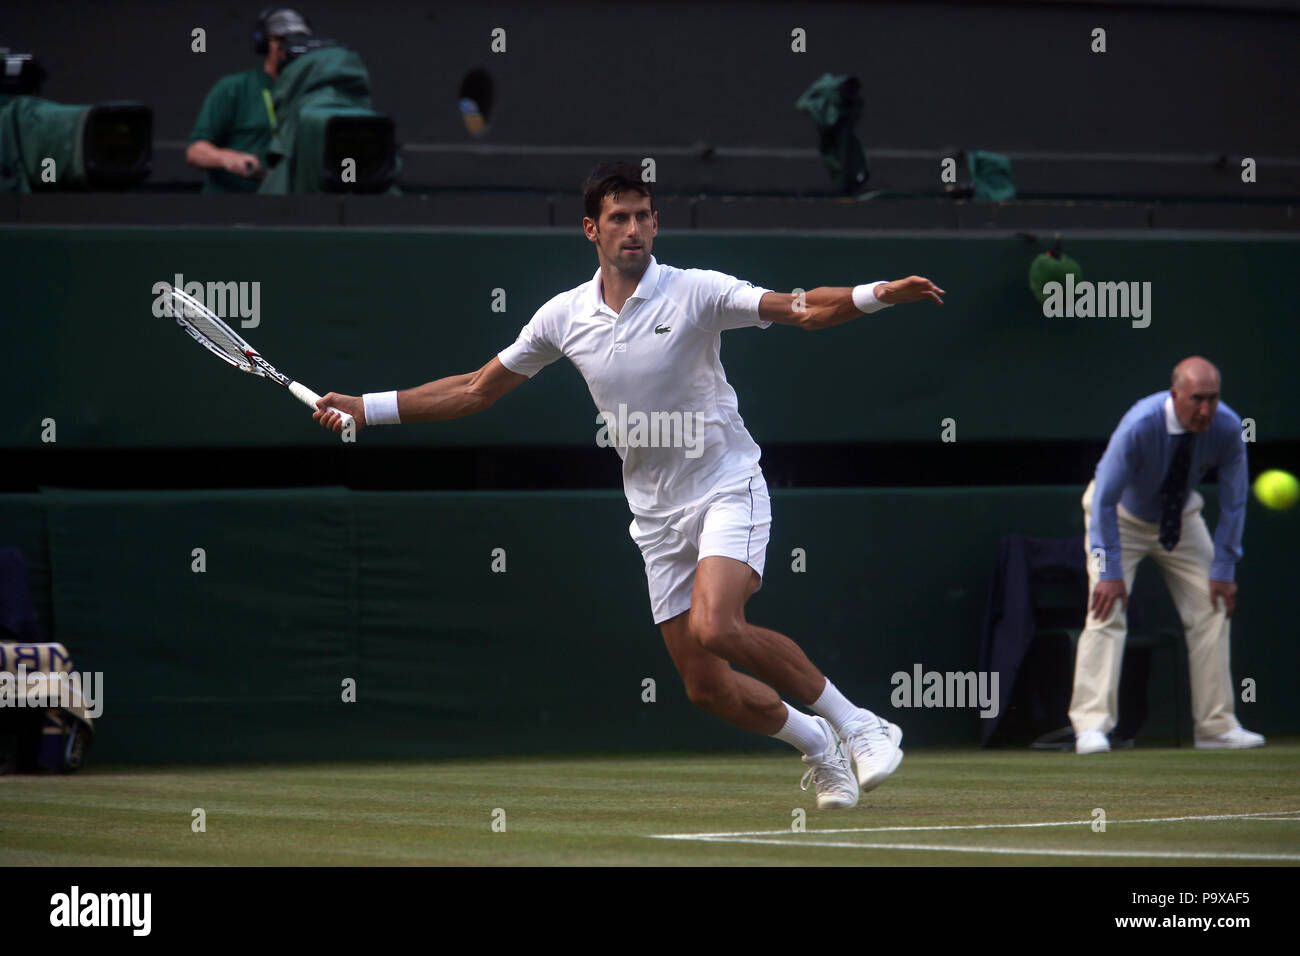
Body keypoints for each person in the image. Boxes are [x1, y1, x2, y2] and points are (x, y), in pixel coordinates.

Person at [312, 162, 945, 808]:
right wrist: (366, 407)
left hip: (727, 485)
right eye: (619, 217)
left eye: (644, 216)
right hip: (655, 515)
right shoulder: (563, 317)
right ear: (592, 229)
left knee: (717, 625)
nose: (635, 228)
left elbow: (800, 308)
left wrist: (873, 295)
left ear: (656, 223)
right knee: (707, 688)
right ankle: (818, 745)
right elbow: (476, 390)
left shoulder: (696, 291)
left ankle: (860, 722)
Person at [1071, 356, 1264, 754]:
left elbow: (1234, 503)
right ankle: (1090, 726)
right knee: (1106, 609)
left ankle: (1215, 727)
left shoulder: (1227, 427)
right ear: (1175, 394)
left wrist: (1225, 567)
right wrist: (1108, 569)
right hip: (1119, 519)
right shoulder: (1139, 425)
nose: (1206, 409)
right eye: (1197, 399)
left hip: (1181, 519)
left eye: (1213, 399)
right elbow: (1104, 500)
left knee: (1213, 606)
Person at [185, 8, 312, 193]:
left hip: (288, 205)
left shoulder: (311, 92)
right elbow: (195, 151)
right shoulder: (233, 88)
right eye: (281, 40)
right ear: (264, 43)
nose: (290, 49)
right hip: (232, 203)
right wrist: (227, 158)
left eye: (298, 41)